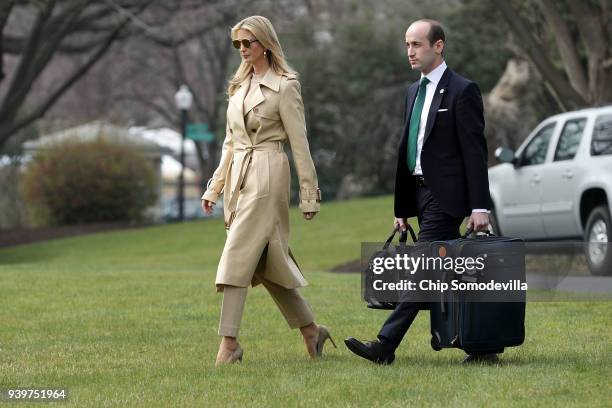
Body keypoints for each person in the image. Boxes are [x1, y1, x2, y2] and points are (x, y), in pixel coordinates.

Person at [344, 19, 494, 364]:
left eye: (417, 44)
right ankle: (482, 345)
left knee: (424, 267)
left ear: (438, 46)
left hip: (448, 198)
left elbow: (474, 153)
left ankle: (385, 344)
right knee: (449, 271)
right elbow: (409, 151)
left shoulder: (462, 90)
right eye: (407, 45)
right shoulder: (413, 91)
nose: (410, 51)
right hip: (421, 195)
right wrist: (403, 208)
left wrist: (479, 206)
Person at [201, 15, 335, 367]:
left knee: (236, 254)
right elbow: (231, 143)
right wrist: (214, 187)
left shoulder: (286, 85)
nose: (242, 50)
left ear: (265, 44)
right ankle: (311, 330)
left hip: (268, 174)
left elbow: (300, 143)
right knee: (264, 261)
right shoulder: (239, 86)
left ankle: (228, 345)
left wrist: (309, 194)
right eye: (237, 44)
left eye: (247, 43)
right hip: (238, 178)